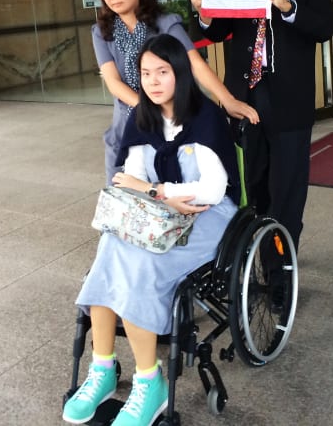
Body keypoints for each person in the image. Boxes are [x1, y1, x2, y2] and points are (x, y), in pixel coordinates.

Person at [63, 34, 240, 426]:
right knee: (110, 248)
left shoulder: (204, 116)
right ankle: (103, 367)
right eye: (145, 73)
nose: (153, 81)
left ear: (180, 72)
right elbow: (131, 177)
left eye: (163, 72)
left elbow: (210, 190)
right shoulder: (142, 116)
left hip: (209, 216)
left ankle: (149, 382)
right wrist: (160, 195)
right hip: (161, 211)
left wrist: (162, 192)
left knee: (142, 261)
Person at [187, 0, 333, 252]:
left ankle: (282, 269)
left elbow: (325, 28)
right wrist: (203, 11)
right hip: (244, 97)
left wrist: (287, 5)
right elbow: (219, 32)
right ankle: (255, 260)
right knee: (252, 185)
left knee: (287, 190)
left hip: (289, 100)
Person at [92, 0, 258, 184]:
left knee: (176, 198)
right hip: (129, 127)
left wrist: (227, 100)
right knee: (126, 204)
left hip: (175, 124)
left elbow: (195, 64)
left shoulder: (164, 23)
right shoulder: (102, 32)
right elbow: (113, 83)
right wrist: (148, 109)